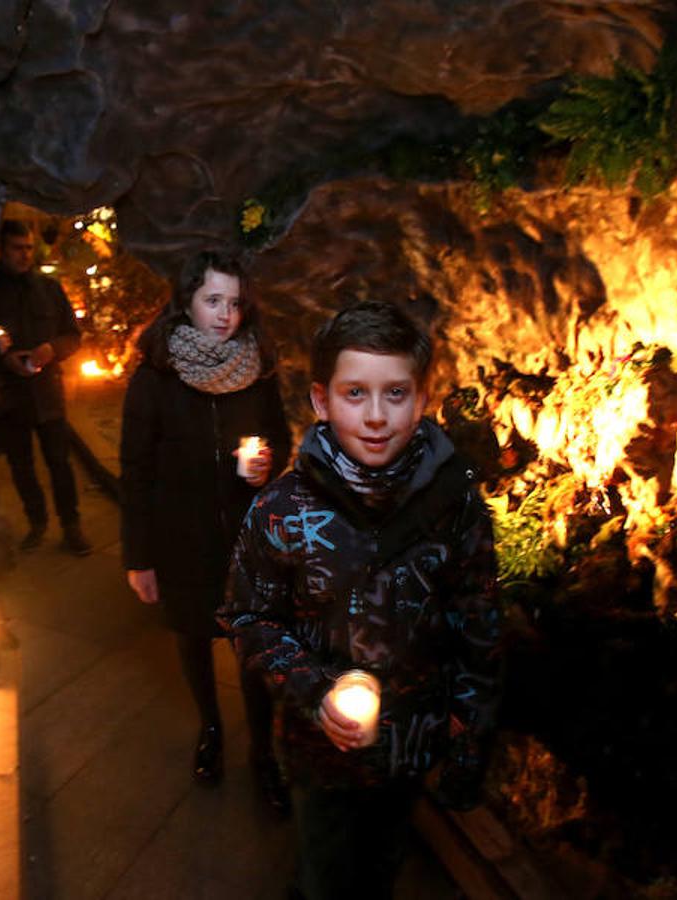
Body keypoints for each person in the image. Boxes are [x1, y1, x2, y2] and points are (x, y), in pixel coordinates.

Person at [219, 300, 502, 899]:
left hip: (412, 740)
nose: (376, 416)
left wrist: (468, 733)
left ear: (422, 397)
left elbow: (478, 619)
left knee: (381, 867)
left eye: (395, 394)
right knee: (324, 873)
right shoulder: (281, 511)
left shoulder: (456, 507)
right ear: (321, 401)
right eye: (355, 394)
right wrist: (312, 688)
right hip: (319, 752)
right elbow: (250, 618)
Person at [119, 250, 292, 810]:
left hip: (247, 543)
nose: (225, 314)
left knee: (254, 650)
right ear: (187, 301)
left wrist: (268, 462)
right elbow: (135, 470)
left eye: (235, 302)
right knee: (194, 640)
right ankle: (211, 730)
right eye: (213, 300)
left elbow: (278, 438)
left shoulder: (257, 373)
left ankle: (263, 754)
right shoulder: (155, 379)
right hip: (181, 542)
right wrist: (139, 557)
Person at [0, 219, 91, 556]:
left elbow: (73, 335)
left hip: (47, 394)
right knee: (21, 466)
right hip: (9, 397)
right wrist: (4, 358)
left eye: (28, 248)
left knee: (59, 462)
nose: (25, 255)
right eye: (17, 248)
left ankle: (71, 526)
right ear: (1, 250)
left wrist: (51, 349)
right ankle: (37, 522)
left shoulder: (49, 288)